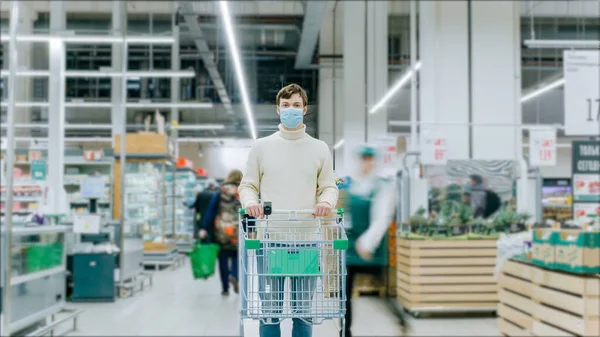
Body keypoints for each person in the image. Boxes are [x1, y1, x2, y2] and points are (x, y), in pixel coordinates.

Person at [239, 83, 338, 337]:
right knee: (269, 313)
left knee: (303, 313)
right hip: (270, 240)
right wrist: (250, 202)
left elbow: (328, 187)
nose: (290, 110)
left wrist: (326, 202)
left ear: (305, 110)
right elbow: (248, 185)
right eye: (286, 105)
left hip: (306, 240)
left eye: (296, 105)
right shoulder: (261, 146)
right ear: (277, 109)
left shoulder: (319, 148)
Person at [344, 146, 405, 337]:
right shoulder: (353, 184)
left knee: (382, 293)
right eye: (362, 159)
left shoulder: (383, 186)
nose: (365, 163)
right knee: (344, 293)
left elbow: (382, 218)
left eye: (369, 159)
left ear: (374, 161)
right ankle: (346, 332)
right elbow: (347, 214)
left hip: (371, 247)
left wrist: (367, 243)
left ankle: (400, 320)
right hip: (352, 246)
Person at [200, 169, 243, 295]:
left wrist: (204, 228)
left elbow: (210, 212)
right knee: (236, 256)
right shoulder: (242, 192)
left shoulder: (220, 192)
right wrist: (252, 229)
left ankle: (225, 288)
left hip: (221, 231)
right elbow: (248, 212)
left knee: (223, 260)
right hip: (237, 232)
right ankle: (234, 275)